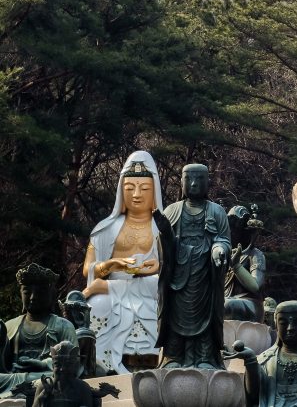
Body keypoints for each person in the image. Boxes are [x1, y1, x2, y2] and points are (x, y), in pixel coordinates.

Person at [83, 151, 163, 373]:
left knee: (168, 291)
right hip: (112, 297)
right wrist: (111, 265)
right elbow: (88, 269)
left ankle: (107, 287)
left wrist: (159, 266)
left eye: (144, 188)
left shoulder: (167, 228)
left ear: (155, 190)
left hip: (153, 290)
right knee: (97, 304)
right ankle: (100, 366)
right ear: (121, 190)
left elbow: (180, 268)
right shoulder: (104, 228)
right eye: (129, 188)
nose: (136, 194)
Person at [153, 164, 231, 369]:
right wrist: (166, 233)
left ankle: (205, 357)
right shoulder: (172, 210)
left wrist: (218, 249)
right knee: (174, 317)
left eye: (199, 179)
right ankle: (173, 356)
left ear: (208, 183)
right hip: (177, 277)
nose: (194, 183)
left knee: (205, 318)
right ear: (181, 182)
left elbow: (224, 240)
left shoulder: (216, 211)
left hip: (205, 276)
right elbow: (162, 248)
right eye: (189, 179)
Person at [0, 264, 78, 397]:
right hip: (13, 377)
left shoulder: (64, 325)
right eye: (27, 292)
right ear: (21, 294)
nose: (32, 297)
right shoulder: (10, 325)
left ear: (52, 296)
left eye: (40, 293)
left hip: (46, 376)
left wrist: (42, 365)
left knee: (56, 380)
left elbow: (74, 363)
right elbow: (3, 365)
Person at [224, 206, 266, 323]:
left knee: (228, 306)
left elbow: (256, 286)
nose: (231, 234)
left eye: (235, 230)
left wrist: (237, 266)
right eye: (229, 230)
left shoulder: (255, 254)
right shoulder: (223, 255)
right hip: (226, 299)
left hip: (249, 303)